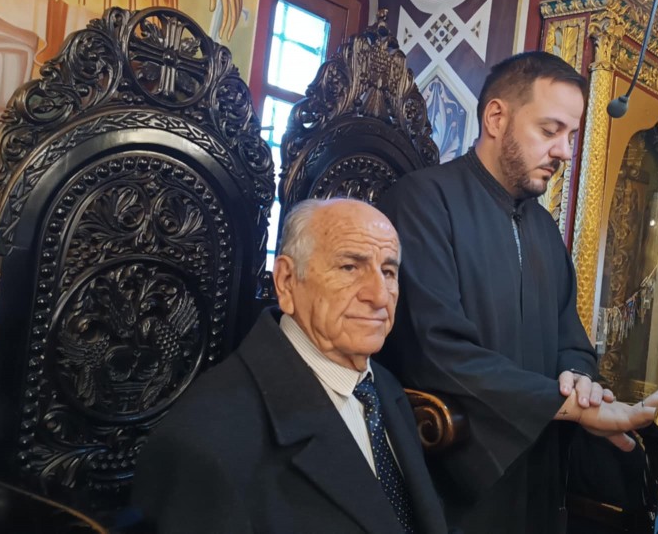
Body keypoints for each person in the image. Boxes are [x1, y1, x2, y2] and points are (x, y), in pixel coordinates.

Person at [376, 51, 658, 533]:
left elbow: (571, 341)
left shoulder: (544, 229)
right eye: (550, 130)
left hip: (539, 473)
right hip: (456, 480)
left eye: (571, 136)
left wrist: (579, 381)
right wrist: (568, 406)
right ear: (496, 118)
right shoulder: (422, 203)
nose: (565, 152)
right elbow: (435, 351)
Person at [133, 199, 447, 534]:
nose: (380, 296)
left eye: (388, 272)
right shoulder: (205, 442)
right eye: (349, 268)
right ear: (286, 281)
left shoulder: (384, 387)